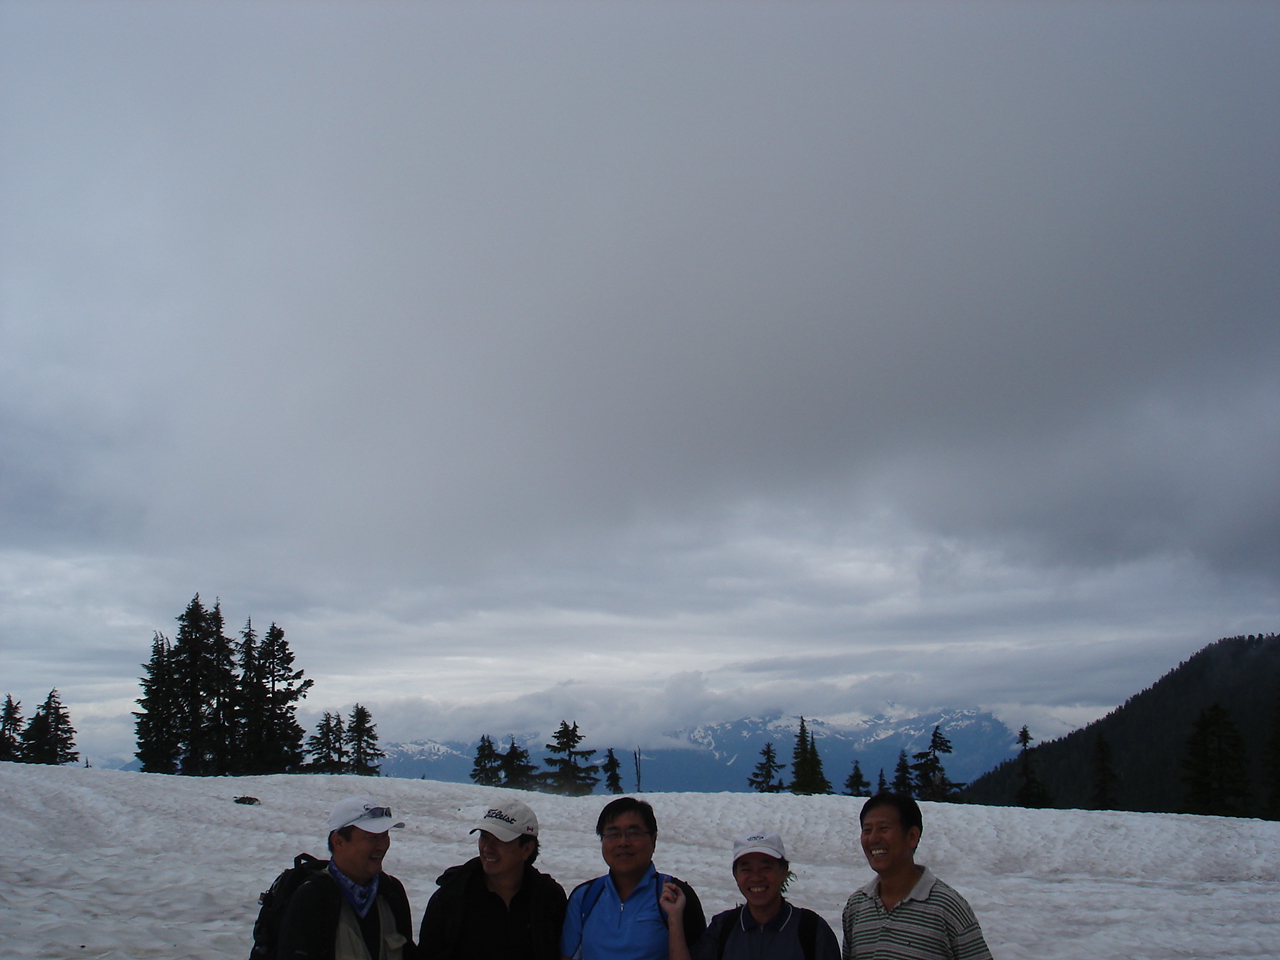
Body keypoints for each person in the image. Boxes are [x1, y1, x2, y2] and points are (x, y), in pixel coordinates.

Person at [841, 793, 992, 960]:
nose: (873, 839)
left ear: (912, 836)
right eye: (867, 830)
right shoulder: (856, 906)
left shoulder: (947, 907)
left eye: (883, 829)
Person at [419, 798, 567, 960]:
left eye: (500, 840)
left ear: (526, 849)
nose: (487, 848)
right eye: (484, 837)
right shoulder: (452, 895)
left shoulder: (549, 898)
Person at [560, 796, 706, 960]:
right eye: (613, 834)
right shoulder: (585, 898)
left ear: (653, 840)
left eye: (633, 833)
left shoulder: (677, 895)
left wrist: (674, 919)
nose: (623, 842)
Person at [660, 830, 840, 960]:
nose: (756, 877)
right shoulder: (723, 928)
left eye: (766, 868)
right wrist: (674, 916)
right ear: (735, 875)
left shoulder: (811, 929)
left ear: (784, 871)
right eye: (746, 869)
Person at [278, 796, 419, 960]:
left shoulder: (391, 892)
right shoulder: (312, 898)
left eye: (384, 835)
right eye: (371, 837)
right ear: (338, 841)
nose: (382, 845)